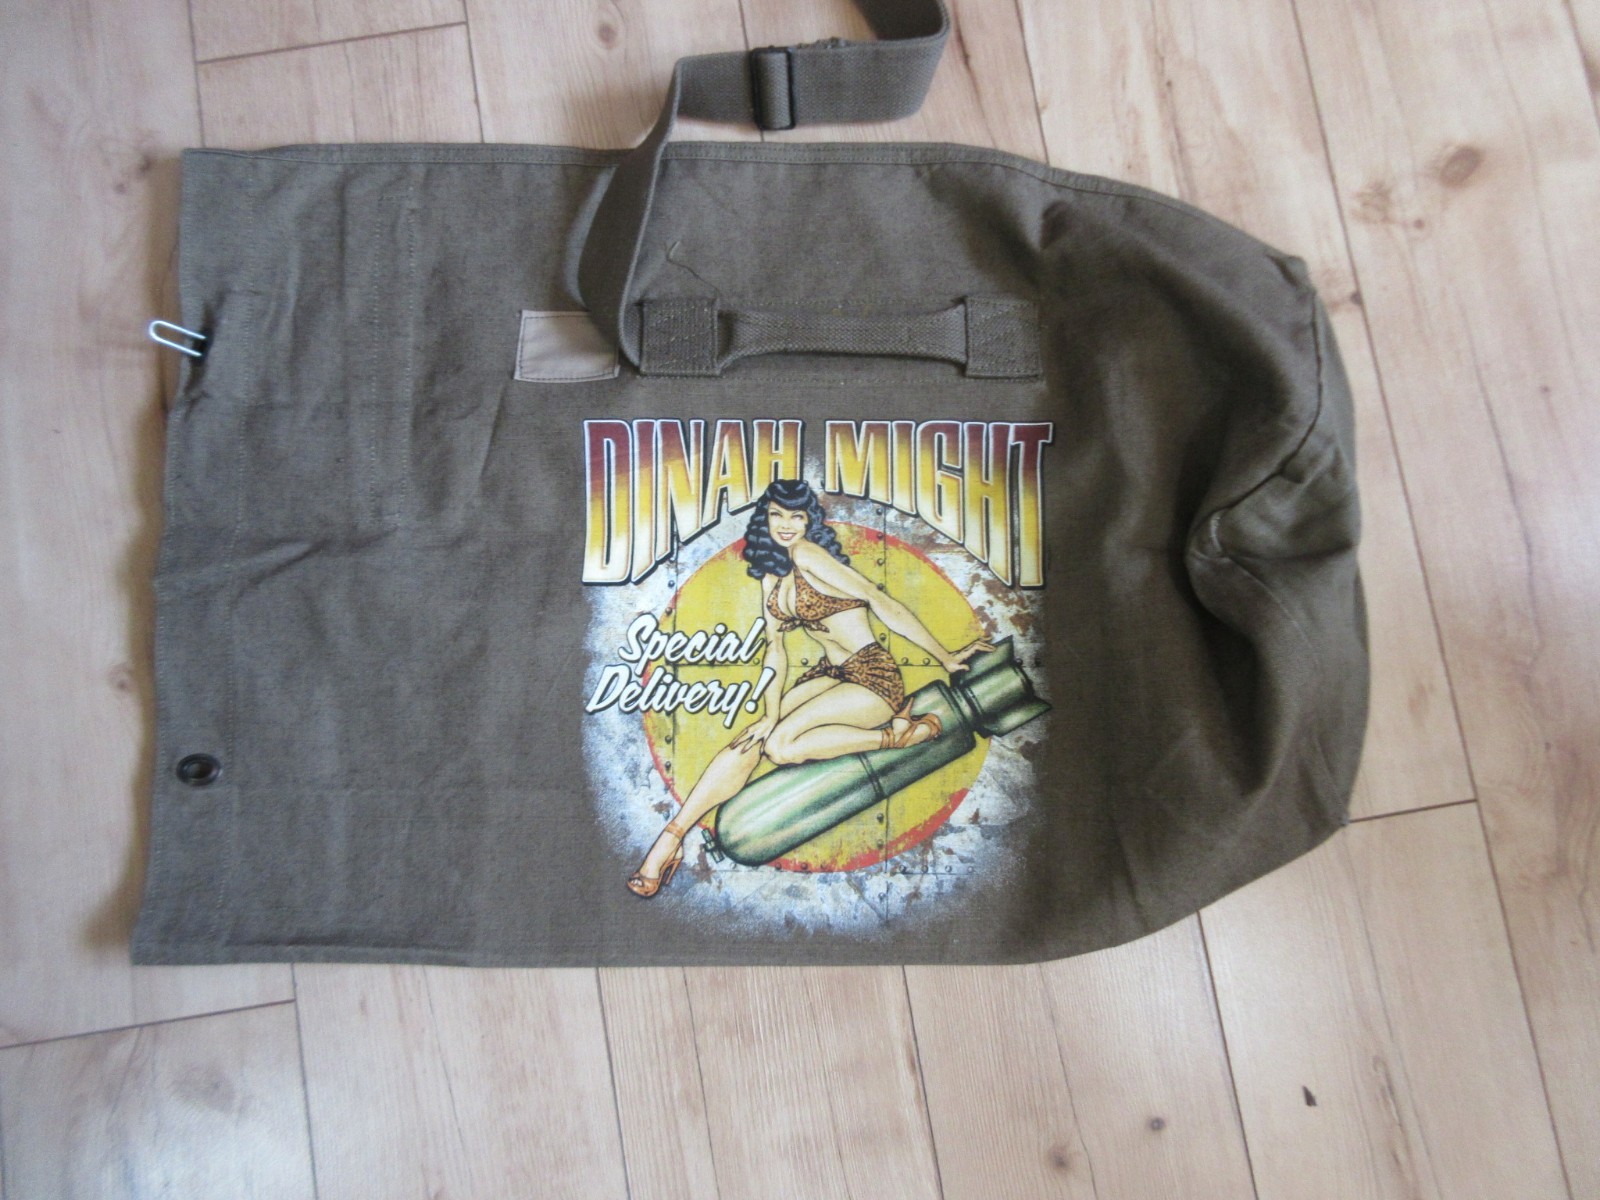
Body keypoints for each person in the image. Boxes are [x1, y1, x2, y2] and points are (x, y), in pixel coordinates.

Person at [627, 479, 993, 897]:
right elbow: (775, 652)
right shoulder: (771, 576)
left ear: (809, 520)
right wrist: (769, 714)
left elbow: (879, 600)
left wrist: (945, 657)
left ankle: (898, 736)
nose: (786, 525)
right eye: (777, 515)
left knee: (782, 746)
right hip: (828, 675)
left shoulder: (808, 554)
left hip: (871, 678)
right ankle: (671, 838)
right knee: (754, 738)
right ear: (765, 518)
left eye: (796, 516)